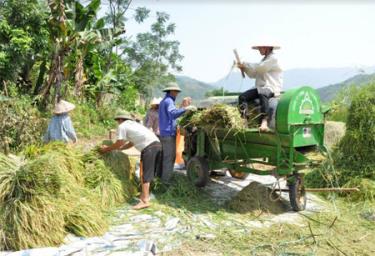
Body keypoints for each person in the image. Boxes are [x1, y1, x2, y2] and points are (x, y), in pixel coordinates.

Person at [99, 111, 162, 210]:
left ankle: (145, 200)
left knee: (145, 173)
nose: (118, 123)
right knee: (148, 172)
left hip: (149, 147)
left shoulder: (122, 126)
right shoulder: (134, 125)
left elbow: (119, 142)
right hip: (157, 145)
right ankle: (144, 195)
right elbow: (131, 143)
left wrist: (107, 149)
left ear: (120, 120)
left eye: (117, 121)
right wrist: (119, 149)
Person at [237, 44, 283, 131]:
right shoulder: (264, 60)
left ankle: (264, 121)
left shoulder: (273, 59)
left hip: (272, 87)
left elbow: (260, 68)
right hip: (260, 88)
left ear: (268, 48)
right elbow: (253, 74)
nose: (259, 50)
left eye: (260, 48)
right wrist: (244, 68)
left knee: (263, 93)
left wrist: (245, 64)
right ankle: (244, 120)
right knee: (242, 97)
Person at [159, 82, 195, 182]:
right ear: (171, 91)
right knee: (169, 158)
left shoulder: (164, 101)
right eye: (175, 91)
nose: (177, 94)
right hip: (168, 134)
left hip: (164, 133)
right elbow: (173, 114)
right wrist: (185, 108)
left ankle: (161, 178)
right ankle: (166, 182)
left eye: (177, 92)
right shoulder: (169, 101)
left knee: (165, 158)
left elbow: (171, 114)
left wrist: (182, 109)